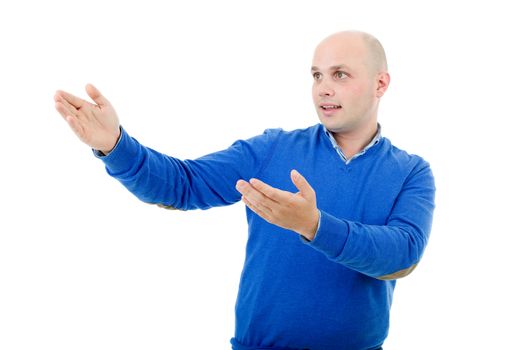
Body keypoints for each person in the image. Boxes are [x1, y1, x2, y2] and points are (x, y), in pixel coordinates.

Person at [54, 30, 435, 350]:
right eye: (316, 75)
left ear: (380, 83)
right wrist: (116, 146)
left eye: (340, 75)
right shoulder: (272, 149)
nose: (323, 89)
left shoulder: (411, 172)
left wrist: (314, 226)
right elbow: (183, 186)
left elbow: (401, 256)